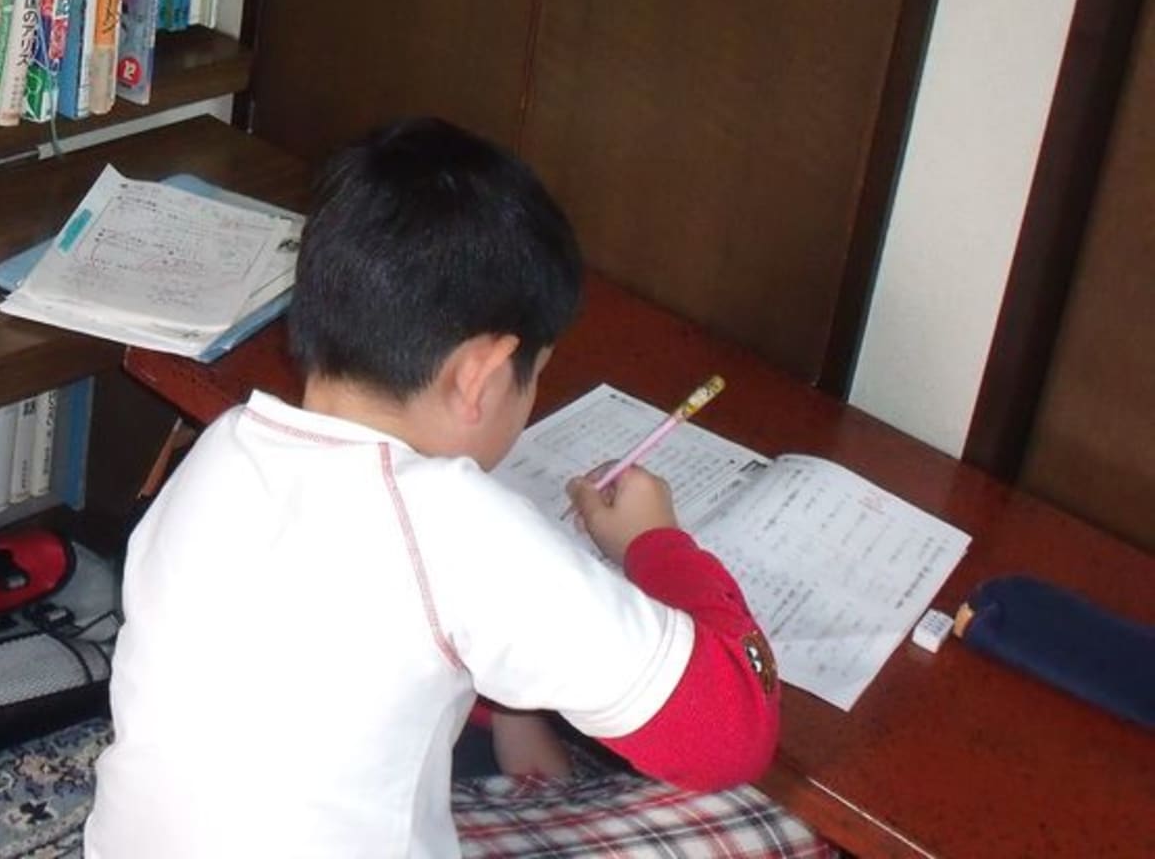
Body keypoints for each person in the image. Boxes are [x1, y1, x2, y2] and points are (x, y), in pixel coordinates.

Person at [84, 118, 781, 859]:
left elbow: (348, 655)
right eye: (534, 380)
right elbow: (730, 735)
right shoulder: (455, 523)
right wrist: (654, 542)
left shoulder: (221, 448)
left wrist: (511, 710)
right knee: (762, 821)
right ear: (480, 377)